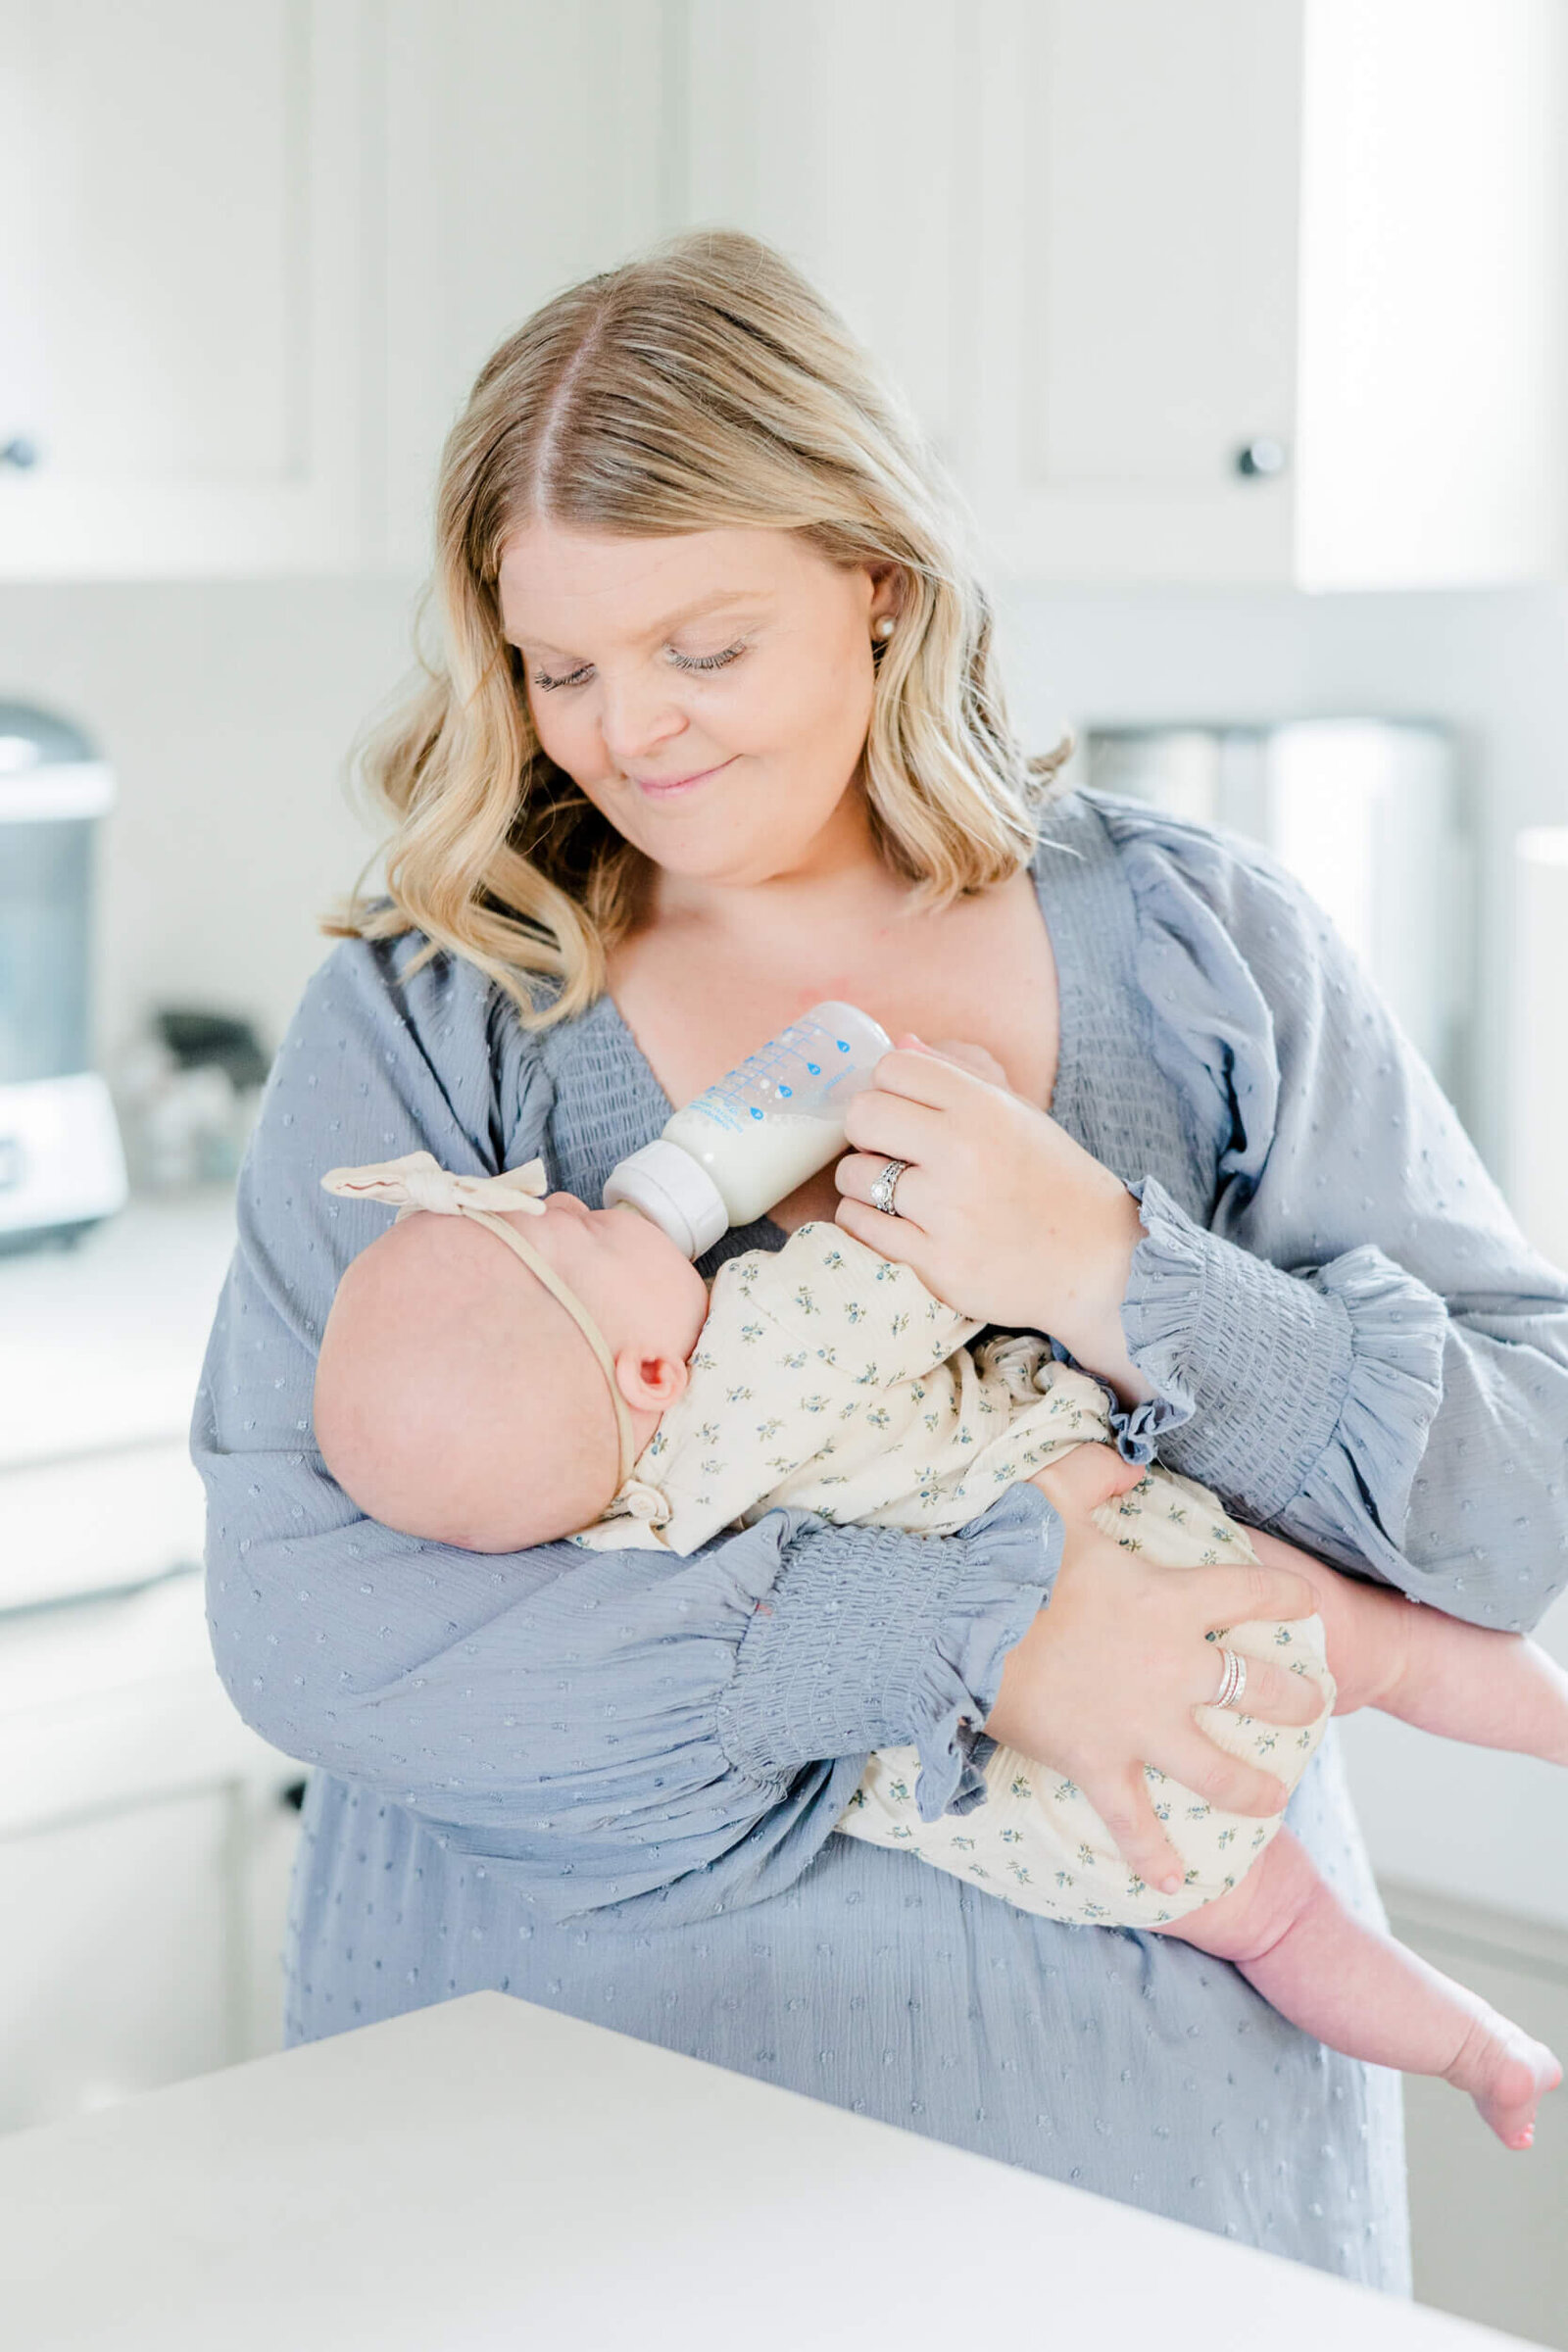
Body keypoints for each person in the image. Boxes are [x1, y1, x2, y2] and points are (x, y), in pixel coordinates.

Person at [192, 228, 1568, 2288]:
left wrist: (1116, 1269)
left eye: (701, 648)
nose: (626, 732)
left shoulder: (1207, 953)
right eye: (557, 667)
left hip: (1145, 2184)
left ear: (877, 585)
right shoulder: (438, 1019)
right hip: (553, 2176)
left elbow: (1509, 1504)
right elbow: (319, 1636)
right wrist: (967, 1627)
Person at [305, 1148, 1566, 2147]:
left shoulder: (623, 1543)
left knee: (1281, 1928)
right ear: (645, 1366)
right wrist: (858, 1177)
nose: (577, 1198)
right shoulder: (749, 1346)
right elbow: (918, 1271)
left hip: (1057, 1815)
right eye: (573, 1232)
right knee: (1390, 1655)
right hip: (1162, 1586)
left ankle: (1474, 2053)